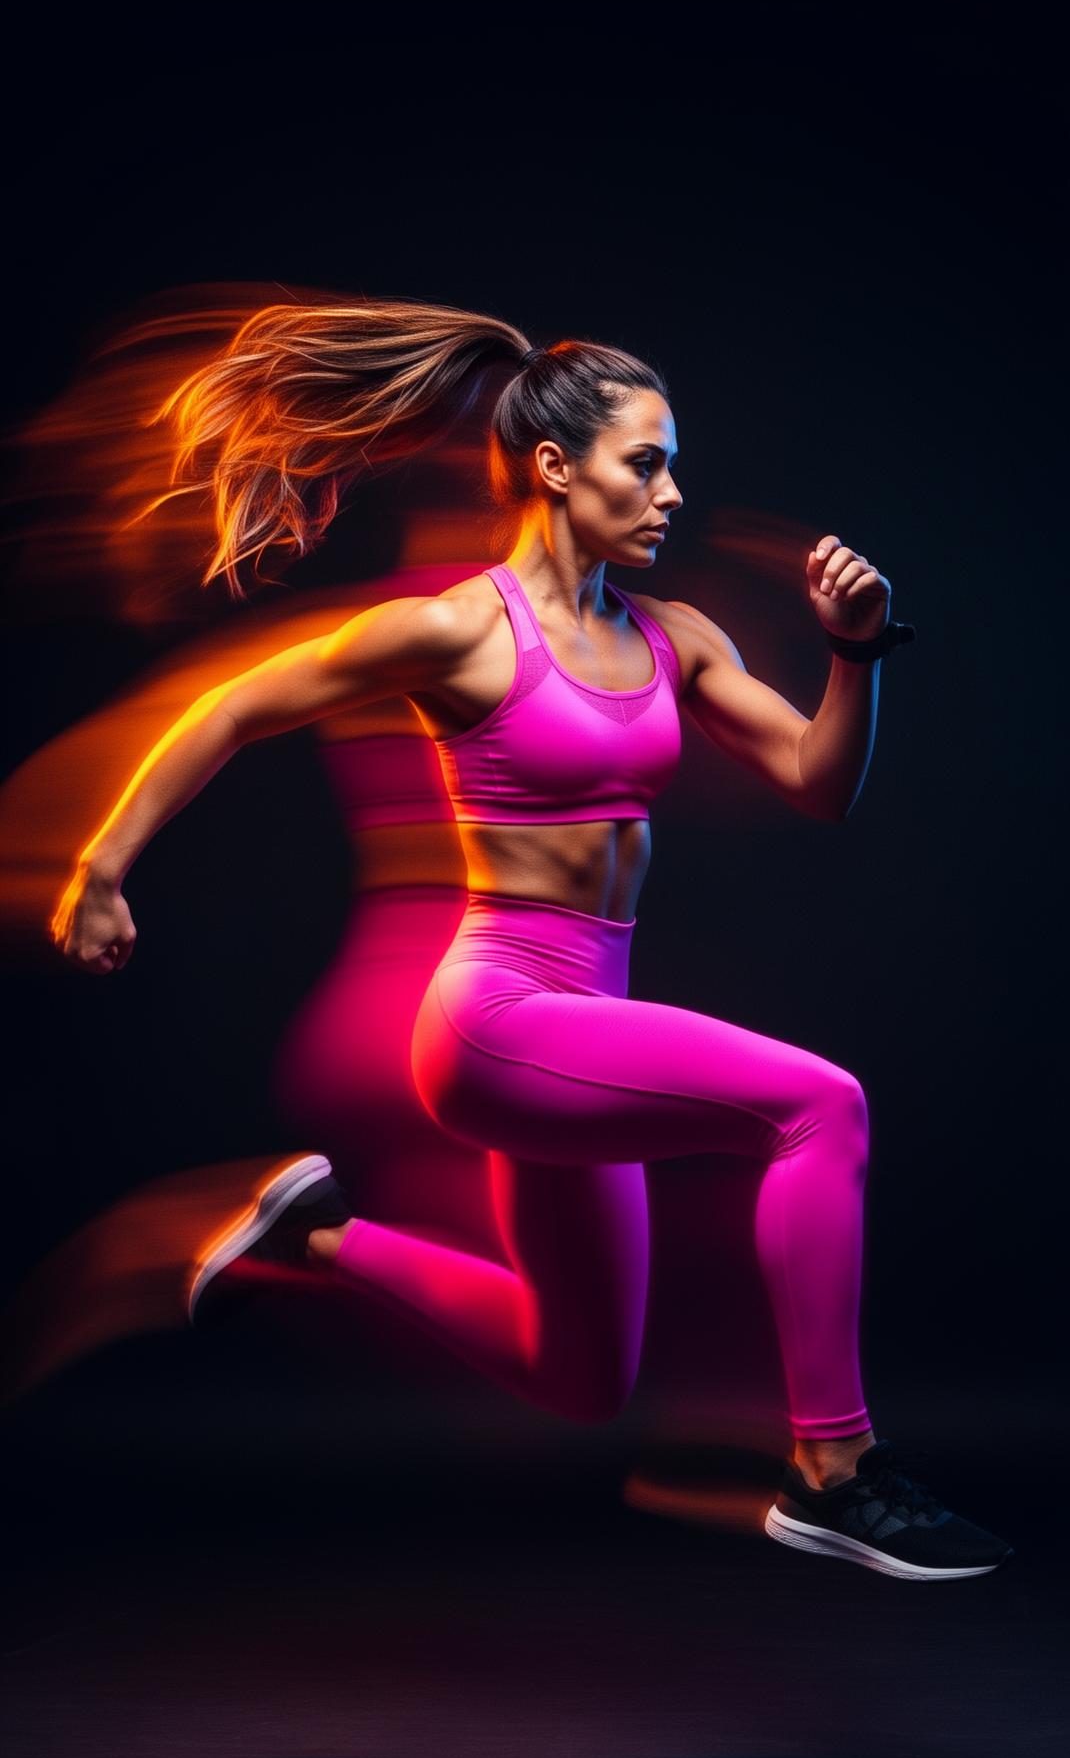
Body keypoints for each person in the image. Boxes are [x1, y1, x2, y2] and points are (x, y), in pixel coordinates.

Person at [49, 300, 1013, 1581]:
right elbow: (234, 709)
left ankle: (313, 1235)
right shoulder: (461, 630)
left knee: (577, 1376)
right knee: (818, 1108)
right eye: (647, 462)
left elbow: (816, 779)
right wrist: (101, 869)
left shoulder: (674, 639)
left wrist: (855, 655)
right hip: (498, 1021)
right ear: (558, 468)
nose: (673, 492)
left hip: (583, 1031)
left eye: (673, 463)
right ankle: (833, 1468)